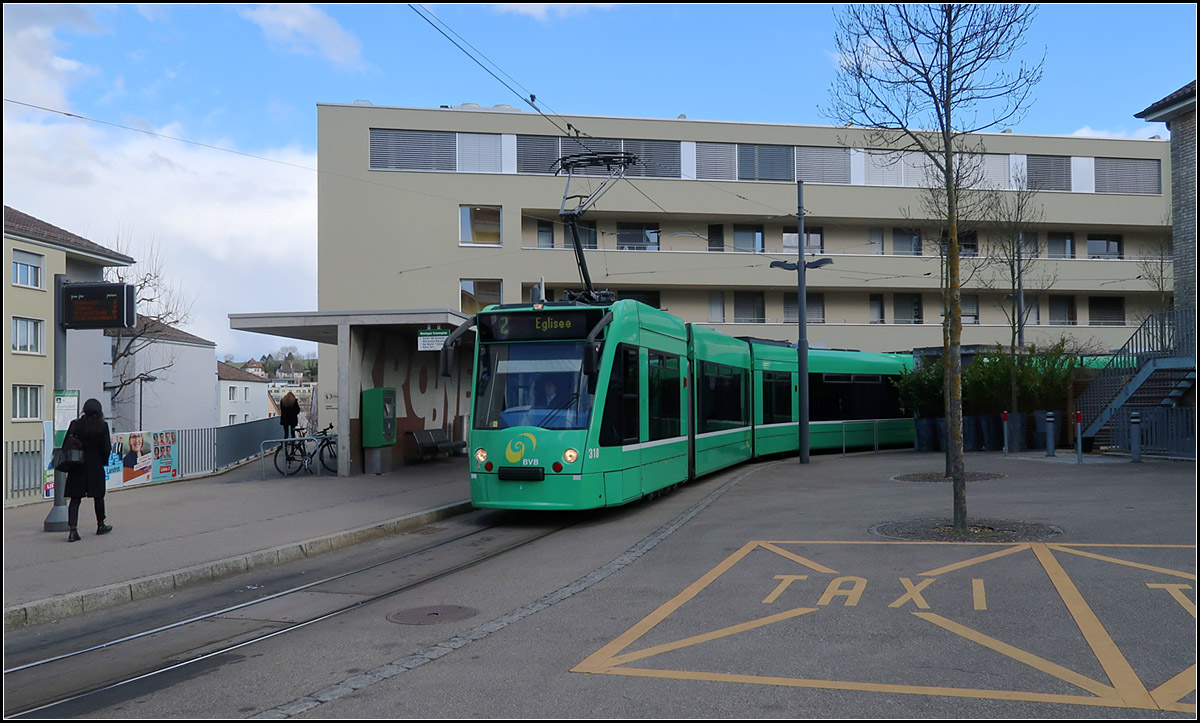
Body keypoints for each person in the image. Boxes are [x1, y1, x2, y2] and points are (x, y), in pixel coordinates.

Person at [63, 398, 113, 542]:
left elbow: (66, 443)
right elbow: (106, 448)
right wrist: (103, 462)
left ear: (84, 409)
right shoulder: (102, 426)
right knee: (98, 496)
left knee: (75, 498)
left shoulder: (76, 424)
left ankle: (73, 530)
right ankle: (101, 524)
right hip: (95, 464)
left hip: (77, 464)